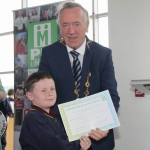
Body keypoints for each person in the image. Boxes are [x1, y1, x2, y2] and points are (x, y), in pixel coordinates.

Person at [38, 2, 120, 150]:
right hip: (62, 140)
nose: (71, 31)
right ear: (60, 28)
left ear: (87, 25)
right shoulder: (49, 54)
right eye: (65, 25)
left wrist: (106, 125)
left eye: (76, 24)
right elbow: (43, 96)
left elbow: (112, 96)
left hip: (98, 141)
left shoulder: (103, 54)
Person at [19, 71, 91, 150]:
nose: (50, 93)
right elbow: (56, 146)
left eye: (52, 89)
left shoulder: (52, 116)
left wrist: (82, 146)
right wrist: (79, 142)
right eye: (44, 90)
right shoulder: (33, 118)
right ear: (30, 96)